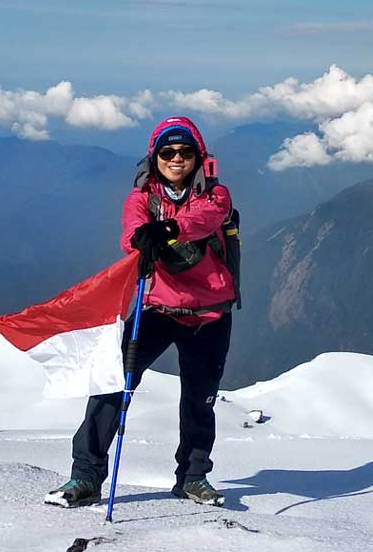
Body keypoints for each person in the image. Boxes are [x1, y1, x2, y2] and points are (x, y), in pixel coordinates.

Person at [45, 115, 237, 508]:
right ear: (155, 158)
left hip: (210, 314)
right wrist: (140, 237)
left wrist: (165, 230)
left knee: (200, 399)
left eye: (185, 151)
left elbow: (206, 219)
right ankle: (84, 476)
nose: (176, 158)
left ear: (199, 157)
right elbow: (131, 232)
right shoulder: (142, 199)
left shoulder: (216, 195)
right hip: (158, 307)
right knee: (112, 384)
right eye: (168, 152)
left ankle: (193, 478)